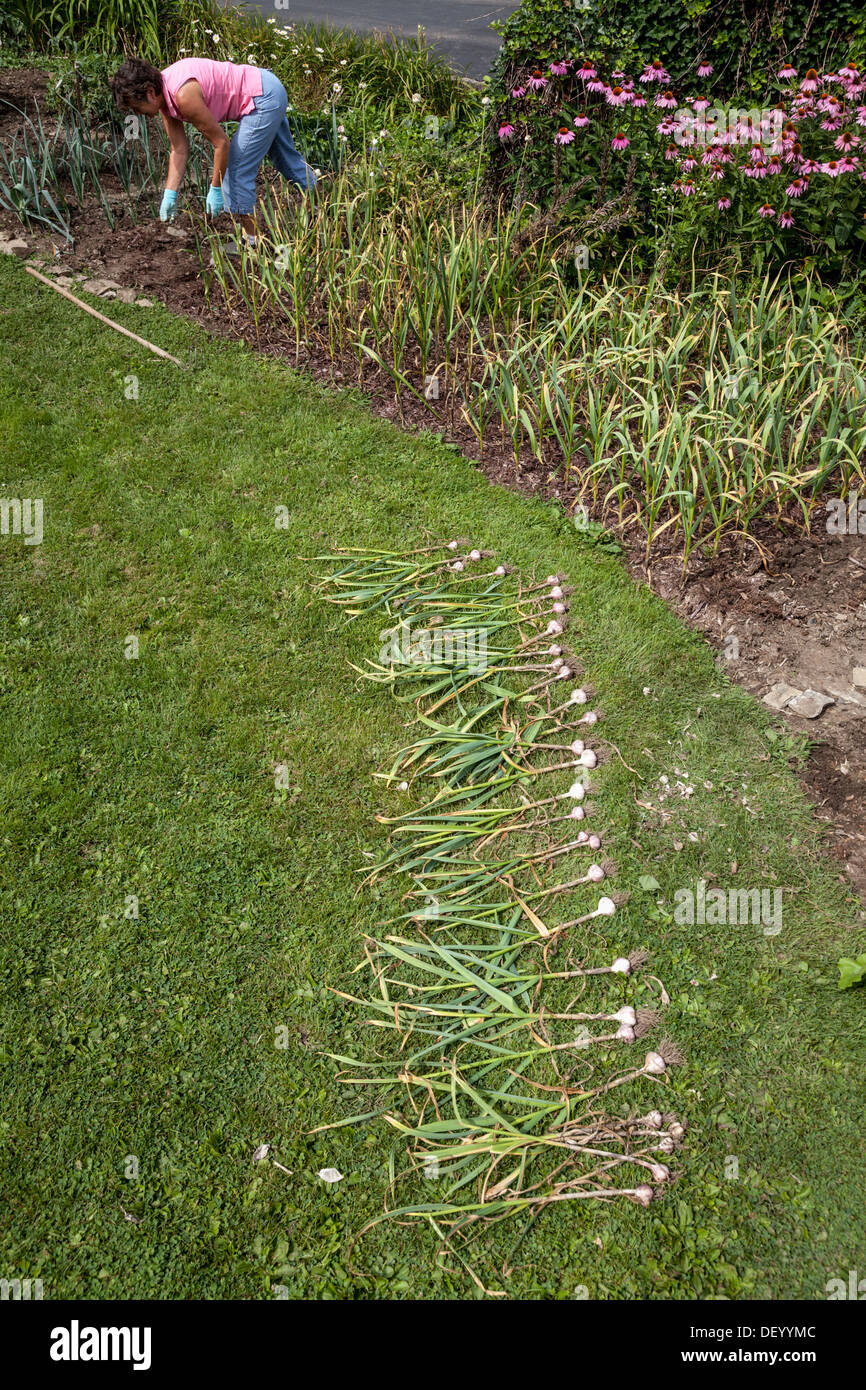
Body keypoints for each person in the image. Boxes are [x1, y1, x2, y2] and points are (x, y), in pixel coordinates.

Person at [110, 56, 317, 243]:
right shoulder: (164, 96)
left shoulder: (183, 96)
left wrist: (216, 189)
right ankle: (324, 210)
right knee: (284, 158)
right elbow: (179, 149)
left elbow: (221, 144)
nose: (138, 113)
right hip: (268, 86)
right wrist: (169, 194)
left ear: (150, 93)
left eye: (136, 107)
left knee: (235, 170)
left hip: (263, 98)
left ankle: (253, 243)